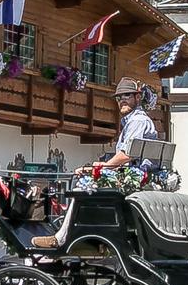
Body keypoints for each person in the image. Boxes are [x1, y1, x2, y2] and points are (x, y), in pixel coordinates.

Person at [32, 76, 157, 248]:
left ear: (137, 97)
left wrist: (103, 167)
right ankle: (86, 237)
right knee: (86, 177)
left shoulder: (138, 121)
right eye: (119, 98)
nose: (122, 100)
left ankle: (62, 239)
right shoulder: (135, 121)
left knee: (81, 188)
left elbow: (127, 155)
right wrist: (97, 167)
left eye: (127, 96)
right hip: (136, 176)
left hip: (133, 179)